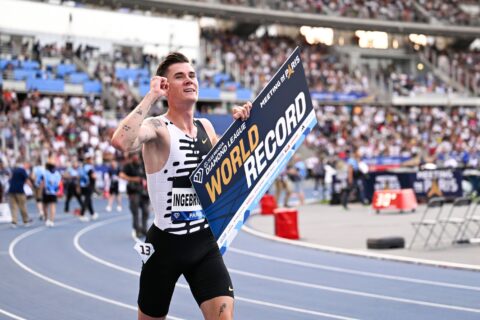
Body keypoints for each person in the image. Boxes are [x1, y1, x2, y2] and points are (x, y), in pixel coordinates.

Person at [111, 52, 251, 320]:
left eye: (192, 75)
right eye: (179, 76)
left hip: (204, 242)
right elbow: (121, 141)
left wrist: (241, 125)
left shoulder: (207, 127)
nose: (189, 80)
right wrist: (151, 96)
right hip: (165, 247)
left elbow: (229, 168)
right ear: (165, 85)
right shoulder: (157, 127)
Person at [119, 153, 150, 238]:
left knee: (146, 211)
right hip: (134, 192)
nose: (136, 158)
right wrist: (133, 179)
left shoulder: (143, 165)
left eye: (137, 156)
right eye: (134, 156)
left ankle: (144, 229)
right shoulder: (128, 166)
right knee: (135, 212)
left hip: (144, 192)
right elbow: (121, 175)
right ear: (131, 157)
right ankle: (137, 230)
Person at [8, 160, 32, 228]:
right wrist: (31, 187)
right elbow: (27, 180)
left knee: (13, 207)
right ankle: (25, 221)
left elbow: (10, 178)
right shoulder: (22, 171)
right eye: (28, 166)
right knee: (22, 206)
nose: (28, 167)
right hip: (19, 190)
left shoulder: (14, 170)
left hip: (11, 190)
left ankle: (14, 222)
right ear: (25, 164)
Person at [41, 158, 62, 227]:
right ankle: (52, 221)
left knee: (45, 206)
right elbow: (59, 183)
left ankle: (47, 219)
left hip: (46, 192)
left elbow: (42, 183)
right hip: (53, 192)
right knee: (52, 206)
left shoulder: (45, 173)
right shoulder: (57, 174)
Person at [79, 154, 98, 222]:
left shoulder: (84, 166)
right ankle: (82, 214)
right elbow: (92, 176)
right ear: (88, 160)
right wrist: (95, 177)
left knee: (88, 200)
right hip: (88, 185)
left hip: (83, 185)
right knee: (87, 200)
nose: (92, 160)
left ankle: (92, 213)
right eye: (90, 159)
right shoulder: (89, 167)